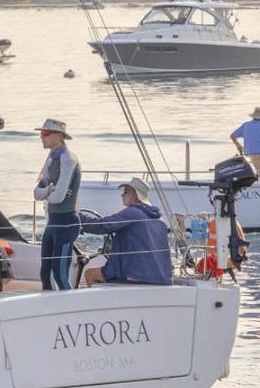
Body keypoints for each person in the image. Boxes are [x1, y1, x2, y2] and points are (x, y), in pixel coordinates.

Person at [82, 178, 173, 286]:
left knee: (89, 274)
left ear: (135, 194)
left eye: (125, 192)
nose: (122, 195)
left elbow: (102, 226)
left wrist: (77, 217)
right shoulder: (160, 220)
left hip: (135, 276)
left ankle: (99, 303)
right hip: (161, 279)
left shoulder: (132, 213)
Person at [33, 116, 81, 292]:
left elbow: (58, 197)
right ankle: (48, 307)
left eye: (45, 133)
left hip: (66, 222)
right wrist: (47, 191)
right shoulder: (51, 158)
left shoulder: (68, 160)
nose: (41, 137)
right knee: (45, 273)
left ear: (58, 136)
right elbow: (37, 192)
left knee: (59, 273)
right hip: (53, 222)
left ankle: (71, 308)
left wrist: (47, 192)